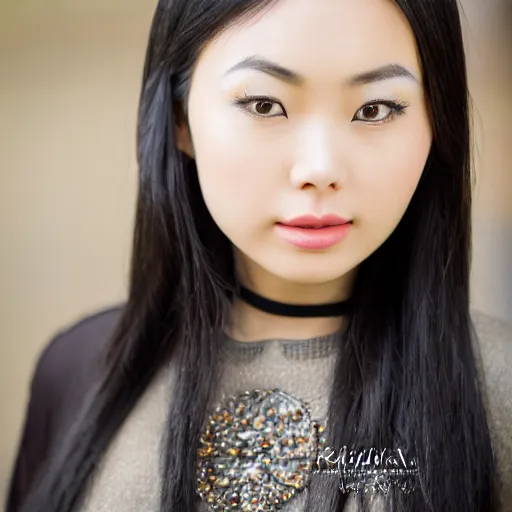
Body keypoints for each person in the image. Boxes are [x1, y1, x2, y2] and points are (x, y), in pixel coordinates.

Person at [6, 0, 512, 510]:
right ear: (180, 118)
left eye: (375, 109)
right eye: (265, 105)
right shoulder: (79, 370)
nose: (319, 167)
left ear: (437, 122)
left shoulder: (499, 388)